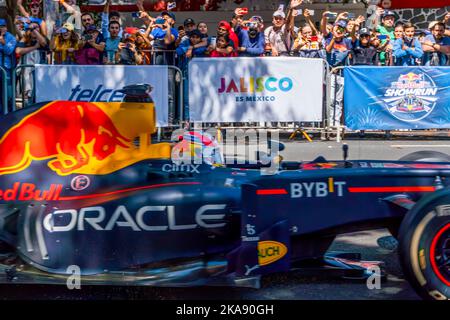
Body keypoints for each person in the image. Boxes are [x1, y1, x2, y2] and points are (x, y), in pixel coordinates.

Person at [15, 20, 49, 105]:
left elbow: (44, 43)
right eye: (32, 28)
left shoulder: (43, 38)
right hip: (27, 72)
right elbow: (18, 51)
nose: (34, 29)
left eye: (36, 27)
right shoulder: (25, 39)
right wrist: (34, 47)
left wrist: (34, 30)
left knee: (39, 96)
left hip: (40, 72)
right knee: (27, 99)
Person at [0, 19, 17, 113]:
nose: (1, 29)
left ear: (6, 27)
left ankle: (9, 115)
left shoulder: (11, 37)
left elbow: (9, 51)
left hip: (7, 70)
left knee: (8, 95)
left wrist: (3, 43)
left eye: (2, 26)